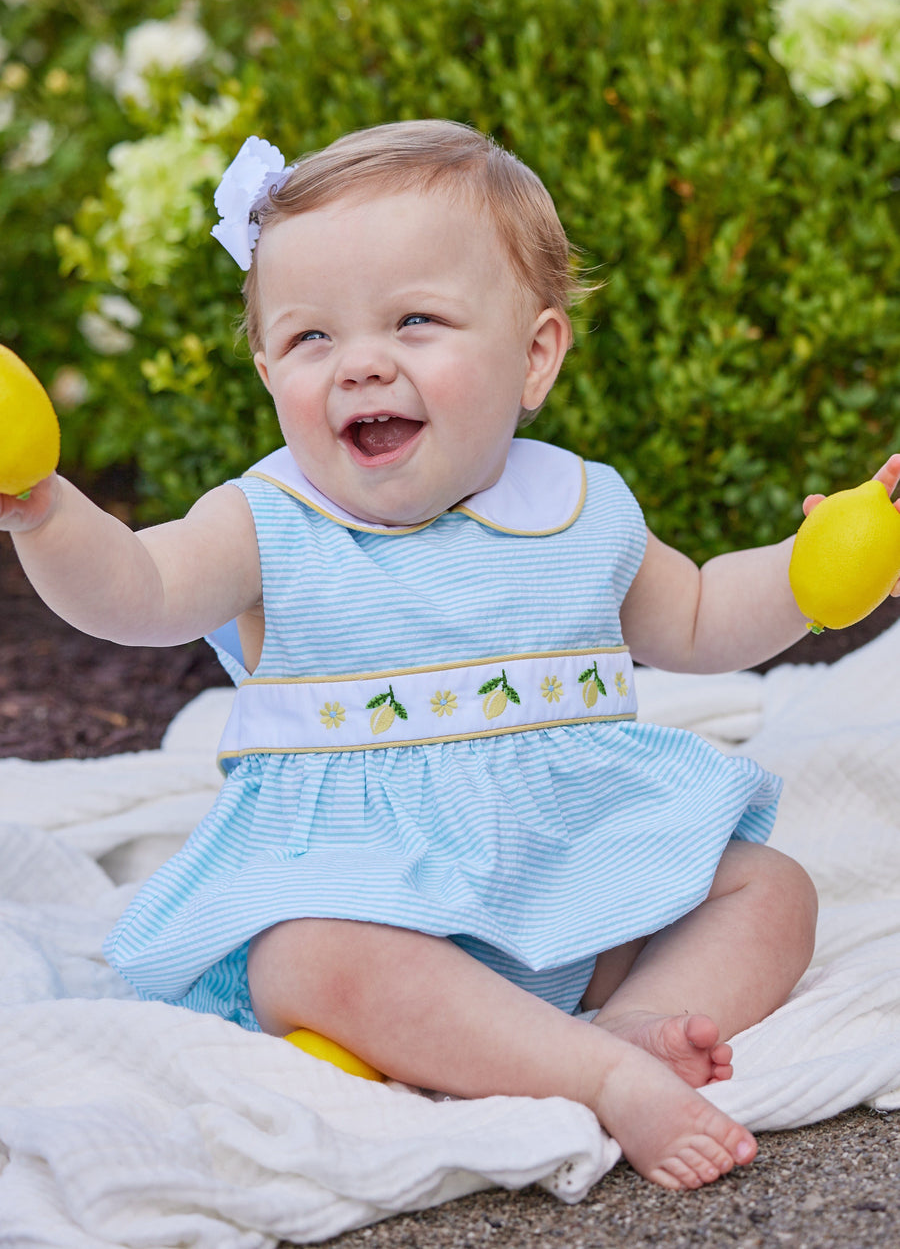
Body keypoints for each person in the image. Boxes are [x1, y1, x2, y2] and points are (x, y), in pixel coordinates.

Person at [8, 117, 893, 1192]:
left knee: (770, 890)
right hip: (373, 904)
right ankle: (596, 1074)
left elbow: (703, 617)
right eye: (311, 338)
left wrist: (811, 575)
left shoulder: (578, 508)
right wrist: (44, 508)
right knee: (305, 958)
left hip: (570, 874)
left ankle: (634, 1022)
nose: (361, 363)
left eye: (415, 320)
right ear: (268, 371)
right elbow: (136, 592)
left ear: (534, 356)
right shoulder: (266, 522)